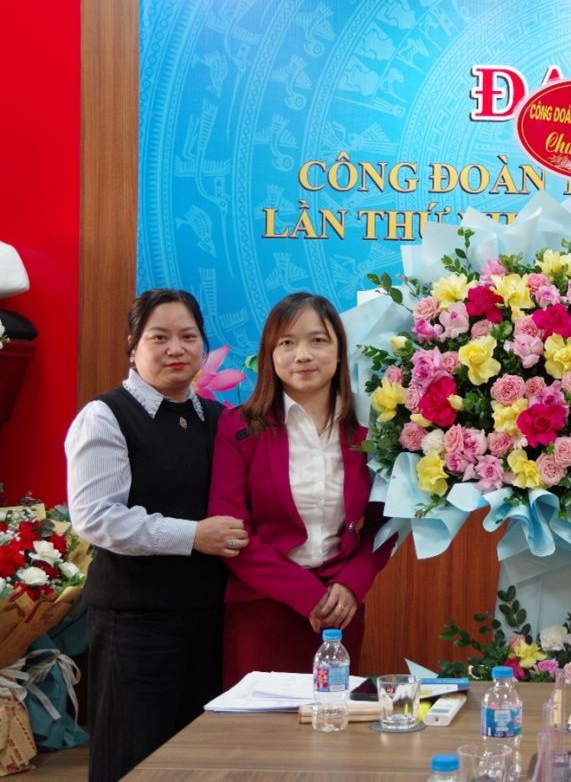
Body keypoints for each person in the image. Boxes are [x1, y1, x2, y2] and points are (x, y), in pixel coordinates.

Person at [65, 289, 249, 782]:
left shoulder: (217, 419)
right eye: (159, 337)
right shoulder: (106, 417)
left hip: (209, 618)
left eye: (188, 337)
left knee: (196, 760)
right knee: (132, 759)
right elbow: (96, 518)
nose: (176, 349)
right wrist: (193, 536)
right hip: (136, 623)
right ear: (133, 344)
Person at [208, 292, 394, 688]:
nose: (303, 355)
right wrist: (307, 595)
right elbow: (231, 534)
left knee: (333, 721)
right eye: (287, 343)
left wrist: (352, 583)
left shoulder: (370, 430)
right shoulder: (238, 428)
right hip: (261, 611)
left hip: (340, 611)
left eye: (318, 340)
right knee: (261, 725)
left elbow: (387, 522)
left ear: (340, 352)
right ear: (270, 355)